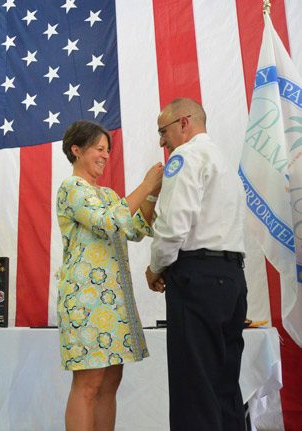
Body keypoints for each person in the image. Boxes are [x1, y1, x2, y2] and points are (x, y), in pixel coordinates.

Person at [145, 98, 247, 431]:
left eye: (163, 131)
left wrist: (156, 267)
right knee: (224, 386)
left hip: (197, 279)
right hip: (232, 278)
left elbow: (174, 226)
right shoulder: (223, 162)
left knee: (194, 389)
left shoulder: (185, 157)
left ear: (184, 122)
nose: (162, 141)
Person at [55, 120, 163, 431]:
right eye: (99, 149)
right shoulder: (71, 188)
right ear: (77, 150)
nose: (105, 156)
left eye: (107, 150)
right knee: (88, 382)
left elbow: (138, 228)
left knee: (110, 380)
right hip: (86, 302)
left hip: (113, 303)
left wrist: (153, 195)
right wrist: (144, 185)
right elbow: (108, 222)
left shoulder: (107, 193)